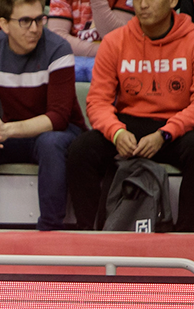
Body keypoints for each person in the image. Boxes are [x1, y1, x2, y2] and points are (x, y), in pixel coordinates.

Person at [0, 0, 85, 230]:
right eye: (25, 21)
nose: (34, 28)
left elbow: (58, 117)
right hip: (14, 132)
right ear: (3, 24)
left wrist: (7, 129)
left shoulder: (58, 48)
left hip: (61, 133)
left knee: (50, 142)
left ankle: (50, 231)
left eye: (39, 19)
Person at [66, 0, 194, 231]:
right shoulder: (116, 40)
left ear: (173, 1)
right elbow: (97, 102)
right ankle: (91, 236)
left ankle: (186, 237)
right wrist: (116, 133)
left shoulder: (192, 39)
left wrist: (165, 134)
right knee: (81, 150)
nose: (143, 5)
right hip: (129, 125)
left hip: (175, 128)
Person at [46, 0, 133, 82]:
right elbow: (56, 37)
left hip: (111, 59)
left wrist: (97, 2)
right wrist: (100, 49)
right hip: (72, 56)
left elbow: (117, 37)